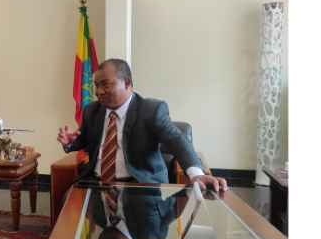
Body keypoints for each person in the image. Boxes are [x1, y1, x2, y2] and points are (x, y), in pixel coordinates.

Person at [57, 58, 228, 193]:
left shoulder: (152, 110)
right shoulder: (92, 110)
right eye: (96, 85)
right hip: (96, 182)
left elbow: (177, 140)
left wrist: (196, 174)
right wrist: (70, 141)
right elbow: (83, 137)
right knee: (70, 213)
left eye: (106, 84)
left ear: (126, 83)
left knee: (143, 223)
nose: (99, 91)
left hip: (139, 185)